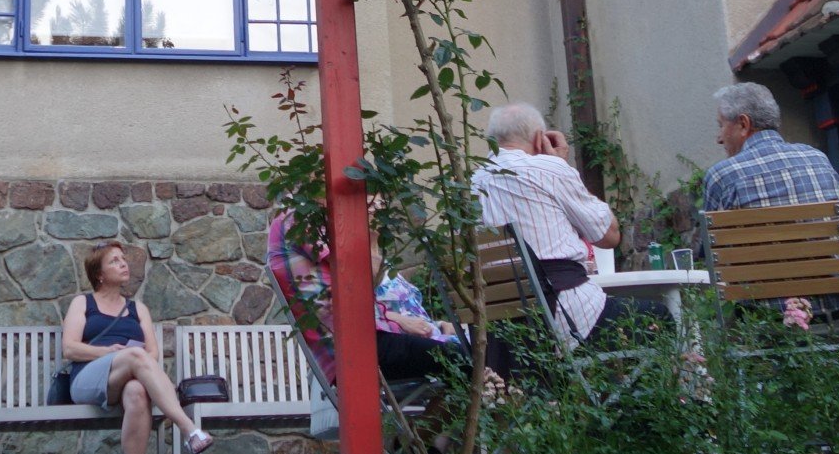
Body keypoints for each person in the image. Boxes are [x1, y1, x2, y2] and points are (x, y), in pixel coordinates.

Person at [471, 102, 649, 343]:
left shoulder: (471, 184)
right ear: (538, 139)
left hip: (499, 335)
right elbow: (609, 236)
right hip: (562, 317)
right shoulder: (548, 168)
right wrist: (561, 165)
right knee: (659, 316)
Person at [60, 244, 213, 454]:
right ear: (99, 275)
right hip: (87, 380)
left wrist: (132, 359)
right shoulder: (83, 303)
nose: (123, 264)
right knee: (135, 355)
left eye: (123, 259)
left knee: (137, 392)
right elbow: (70, 349)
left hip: (123, 377)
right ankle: (188, 428)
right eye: (114, 261)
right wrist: (107, 352)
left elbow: (152, 353)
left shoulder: (137, 308)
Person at [264, 210, 482, 386]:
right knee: (466, 358)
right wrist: (372, 238)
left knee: (476, 359)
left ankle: (432, 440)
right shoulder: (300, 218)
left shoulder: (303, 219)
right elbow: (361, 273)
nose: (374, 209)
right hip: (354, 349)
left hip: (360, 341)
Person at [700, 81, 839, 302]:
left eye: (721, 125)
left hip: (769, 316)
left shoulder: (723, 175)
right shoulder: (818, 160)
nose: (719, 138)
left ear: (743, 124)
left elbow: (711, 253)